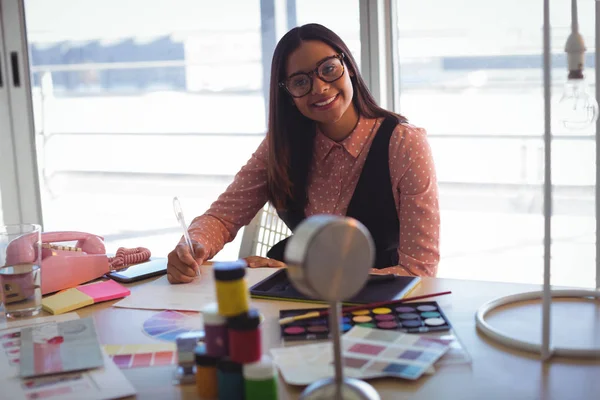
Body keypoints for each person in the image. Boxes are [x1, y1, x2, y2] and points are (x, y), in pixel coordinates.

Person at [167, 23, 440, 284]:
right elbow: (223, 217)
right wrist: (193, 245)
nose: (319, 87)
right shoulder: (281, 144)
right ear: (288, 94)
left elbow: (419, 271)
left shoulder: (403, 143)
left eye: (329, 69)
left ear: (349, 68)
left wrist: (305, 275)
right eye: (300, 82)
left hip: (379, 299)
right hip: (296, 296)